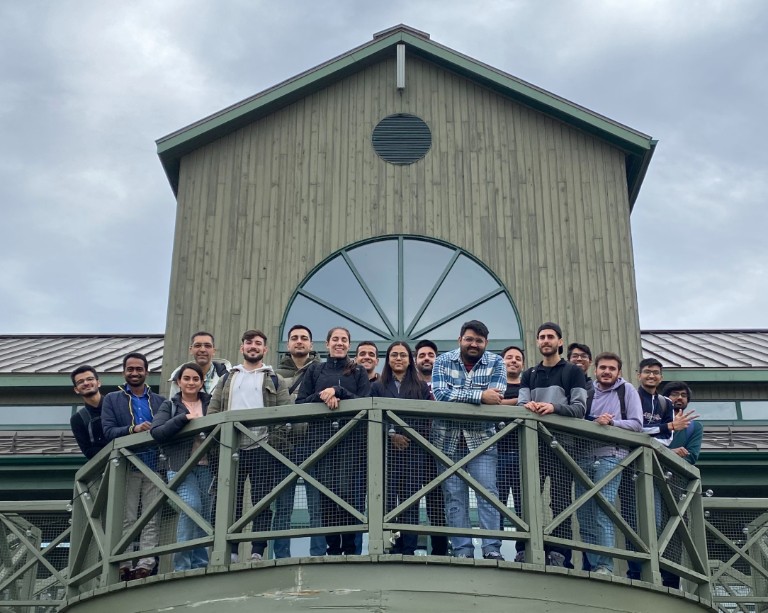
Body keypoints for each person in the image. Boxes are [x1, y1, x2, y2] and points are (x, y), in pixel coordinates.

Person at [207, 329, 291, 561]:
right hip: (230, 448)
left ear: (265, 349)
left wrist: (274, 444)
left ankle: (257, 551)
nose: (253, 346)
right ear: (242, 347)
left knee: (261, 502)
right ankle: (230, 550)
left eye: (258, 343)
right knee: (229, 502)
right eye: (249, 342)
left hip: (262, 448)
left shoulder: (275, 379)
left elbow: (286, 414)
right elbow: (213, 411)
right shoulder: (227, 378)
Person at [431, 320, 506, 560]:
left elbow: (496, 398)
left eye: (479, 341)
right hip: (447, 442)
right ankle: (462, 551)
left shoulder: (497, 362)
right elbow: (440, 395)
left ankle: (492, 549)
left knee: (488, 494)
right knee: (454, 498)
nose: (473, 344)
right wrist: (480, 396)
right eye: (469, 339)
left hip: (482, 442)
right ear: (460, 340)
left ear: (486, 343)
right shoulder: (442, 360)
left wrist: (469, 397)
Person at [296, 327, 371, 555]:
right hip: (321, 441)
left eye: (344, 340)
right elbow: (300, 403)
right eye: (335, 339)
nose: (339, 343)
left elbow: (365, 401)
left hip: (351, 443)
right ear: (327, 344)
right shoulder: (315, 370)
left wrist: (339, 391)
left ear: (349, 345)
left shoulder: (358, 371)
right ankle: (333, 550)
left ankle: (350, 549)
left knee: (348, 495)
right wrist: (323, 396)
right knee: (326, 495)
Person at [517, 322, 587, 567]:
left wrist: (553, 407)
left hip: (562, 444)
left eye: (550, 336)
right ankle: (524, 549)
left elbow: (580, 408)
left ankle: (560, 554)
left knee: (560, 500)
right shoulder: (529, 374)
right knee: (527, 498)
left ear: (560, 341)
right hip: (533, 443)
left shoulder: (573, 371)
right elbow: (521, 405)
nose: (545, 340)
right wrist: (529, 406)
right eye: (541, 337)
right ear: (537, 342)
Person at [624, 358, 695, 583]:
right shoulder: (631, 396)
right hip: (629, 463)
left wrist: (657, 430)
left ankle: (649, 568)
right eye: (647, 372)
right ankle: (635, 571)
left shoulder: (665, 403)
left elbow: (667, 439)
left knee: (652, 521)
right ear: (638, 374)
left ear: (660, 377)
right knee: (630, 519)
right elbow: (631, 428)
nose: (651, 376)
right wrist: (665, 427)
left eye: (655, 372)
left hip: (652, 466)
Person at [575, 352, 642, 576]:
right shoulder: (588, 391)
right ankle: (594, 565)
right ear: (595, 370)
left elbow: (637, 424)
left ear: (619, 372)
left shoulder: (627, 390)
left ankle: (606, 565)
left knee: (603, 508)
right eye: (603, 368)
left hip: (612, 455)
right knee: (584, 513)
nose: (606, 372)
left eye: (612, 368)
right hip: (583, 456)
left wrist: (612, 423)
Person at [102, 352, 166, 580]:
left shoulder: (160, 401)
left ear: (146, 372)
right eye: (130, 369)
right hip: (127, 466)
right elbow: (108, 431)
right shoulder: (112, 399)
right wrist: (133, 430)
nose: (135, 373)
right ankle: (124, 563)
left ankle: (146, 564)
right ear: (124, 372)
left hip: (154, 465)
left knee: (151, 519)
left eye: (139, 369)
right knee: (126, 519)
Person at [371, 341, 432, 555]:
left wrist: (408, 436)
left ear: (410, 360)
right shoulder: (377, 386)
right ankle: (390, 546)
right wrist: (391, 435)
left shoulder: (421, 386)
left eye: (403, 355)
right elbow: (372, 417)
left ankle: (409, 549)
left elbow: (427, 419)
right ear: (388, 359)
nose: (398, 358)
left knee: (411, 501)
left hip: (414, 452)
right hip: (386, 453)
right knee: (387, 500)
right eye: (394, 355)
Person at [150, 363, 212, 571]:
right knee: (191, 507)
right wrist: (183, 418)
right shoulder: (170, 405)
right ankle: (182, 565)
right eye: (186, 378)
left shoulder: (211, 403)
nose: (191, 382)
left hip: (207, 466)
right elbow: (157, 431)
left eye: (196, 379)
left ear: (202, 382)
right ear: (178, 382)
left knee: (204, 516)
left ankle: (200, 565)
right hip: (179, 466)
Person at [273, 324, 325, 557]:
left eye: (304, 338)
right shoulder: (274, 374)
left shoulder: (321, 371)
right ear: (288, 344)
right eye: (294, 338)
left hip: (313, 443)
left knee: (317, 504)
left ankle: (317, 554)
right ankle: (281, 556)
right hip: (283, 445)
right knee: (283, 505)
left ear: (311, 344)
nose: (299, 341)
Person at [412, 339, 449, 556]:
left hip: (441, 449)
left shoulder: (446, 384)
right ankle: (405, 548)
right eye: (422, 355)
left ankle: (440, 551)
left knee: (437, 503)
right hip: (413, 450)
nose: (427, 359)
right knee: (409, 500)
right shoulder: (409, 384)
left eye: (431, 355)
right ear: (415, 360)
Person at [497, 346, 524, 527]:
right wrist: (518, 402)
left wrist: (504, 404)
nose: (513, 360)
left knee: (524, 505)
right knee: (497, 503)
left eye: (518, 358)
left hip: (523, 453)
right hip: (497, 452)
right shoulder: (494, 385)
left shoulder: (527, 386)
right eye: (509, 357)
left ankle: (523, 544)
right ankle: (495, 542)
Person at [168, 331, 232, 396]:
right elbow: (173, 402)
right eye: (197, 345)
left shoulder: (228, 377)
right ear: (191, 350)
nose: (202, 350)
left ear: (213, 351)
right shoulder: (179, 377)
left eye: (207, 346)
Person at [70, 365, 107, 459]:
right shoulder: (78, 419)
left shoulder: (117, 404)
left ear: (98, 383)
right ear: (76, 390)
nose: (86, 383)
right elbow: (88, 451)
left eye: (90, 379)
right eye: (80, 382)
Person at [663, 381, 702, 465]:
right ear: (666, 399)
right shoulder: (655, 421)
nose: (680, 397)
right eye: (674, 394)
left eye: (684, 395)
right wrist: (671, 452)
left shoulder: (694, 427)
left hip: (676, 471)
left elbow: (691, 456)